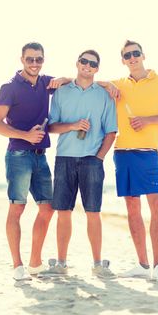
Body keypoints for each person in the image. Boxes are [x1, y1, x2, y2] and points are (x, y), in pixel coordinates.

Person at [0, 42, 71, 281]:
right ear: (22, 60)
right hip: (18, 156)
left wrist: (63, 78)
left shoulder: (46, 82)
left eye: (39, 59)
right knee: (17, 208)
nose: (34, 64)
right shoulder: (9, 88)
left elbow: (69, 81)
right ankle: (17, 265)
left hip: (41, 157)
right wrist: (25, 135)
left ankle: (35, 262)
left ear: (43, 60)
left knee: (48, 208)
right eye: (30, 59)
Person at [112, 40, 158, 283]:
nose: (132, 58)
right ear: (123, 60)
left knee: (157, 205)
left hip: (148, 152)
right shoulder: (118, 84)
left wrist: (148, 120)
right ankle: (142, 264)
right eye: (127, 55)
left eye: (135, 53)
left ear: (143, 55)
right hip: (122, 152)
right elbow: (91, 82)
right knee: (132, 207)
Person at [46, 49, 118, 279]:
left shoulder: (105, 95)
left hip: (92, 161)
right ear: (77, 63)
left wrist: (98, 158)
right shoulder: (61, 92)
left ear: (97, 69)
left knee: (93, 212)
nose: (87, 65)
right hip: (64, 158)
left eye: (92, 63)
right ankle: (61, 263)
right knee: (63, 212)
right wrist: (73, 125)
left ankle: (98, 264)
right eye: (84, 61)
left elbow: (111, 132)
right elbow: (51, 126)